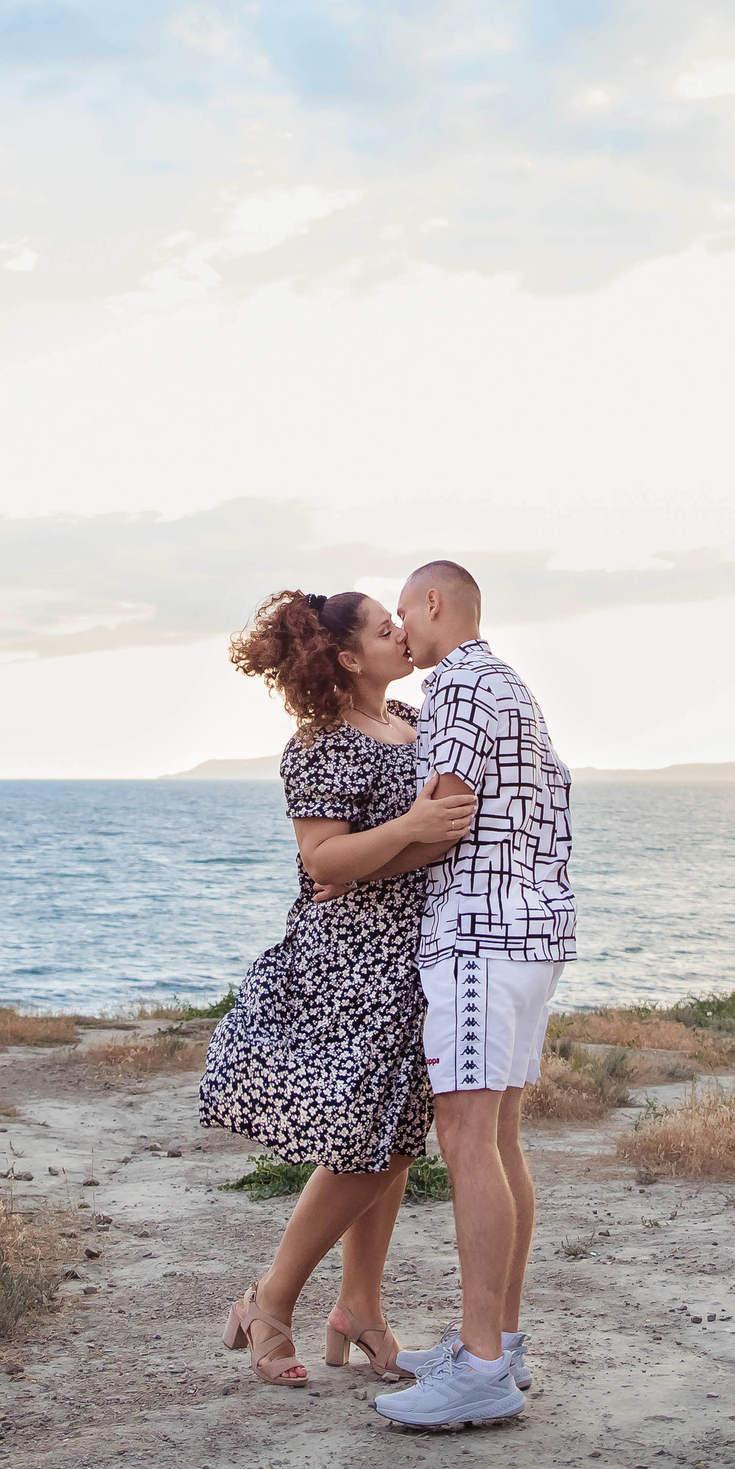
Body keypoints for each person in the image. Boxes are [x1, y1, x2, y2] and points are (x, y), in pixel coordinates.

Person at [198, 588, 477, 1387]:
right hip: (351, 960)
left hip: (413, 951)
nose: (404, 634)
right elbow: (323, 862)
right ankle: (271, 1300)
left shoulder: (420, 725)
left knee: (392, 1139)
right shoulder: (319, 745)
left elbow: (412, 846)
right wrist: (408, 835)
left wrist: (391, 851)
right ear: (350, 657)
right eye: (387, 629)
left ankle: (360, 1307)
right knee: (365, 1140)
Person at [372, 559, 574, 1431]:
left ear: (432, 603)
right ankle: (499, 1340)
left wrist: (359, 869)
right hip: (534, 935)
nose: (401, 634)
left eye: (403, 614)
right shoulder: (511, 685)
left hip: (479, 937)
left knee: (464, 1137)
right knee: (499, 1138)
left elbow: (446, 813)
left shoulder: (456, 683)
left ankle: (482, 1365)